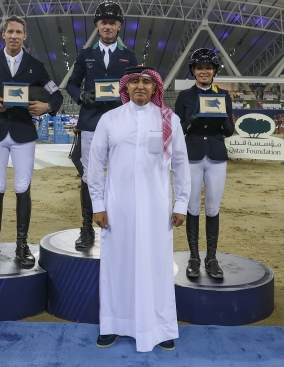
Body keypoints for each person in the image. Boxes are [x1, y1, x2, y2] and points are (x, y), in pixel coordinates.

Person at [88, 66, 190, 352]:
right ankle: (112, 324)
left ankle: (161, 327)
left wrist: (181, 203)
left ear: (155, 87)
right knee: (117, 264)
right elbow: (95, 166)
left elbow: (181, 163)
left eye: (146, 82)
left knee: (156, 265)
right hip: (117, 207)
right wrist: (98, 204)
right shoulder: (110, 120)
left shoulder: (169, 119)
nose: (140, 86)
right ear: (126, 87)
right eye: (135, 82)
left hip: (157, 207)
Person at [0, 15, 63, 269]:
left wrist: (47, 107)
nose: (13, 36)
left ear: (24, 36)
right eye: (9, 31)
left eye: (18, 32)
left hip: (23, 134)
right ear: (3, 35)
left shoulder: (36, 65)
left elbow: (57, 94)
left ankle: (22, 246)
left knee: (23, 186)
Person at [66, 2, 138, 250]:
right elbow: (72, 84)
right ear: (97, 26)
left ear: (119, 27)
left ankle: (122, 225)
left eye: (112, 23)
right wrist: (80, 96)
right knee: (89, 175)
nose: (108, 26)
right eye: (103, 22)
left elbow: (138, 86)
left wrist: (125, 97)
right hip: (91, 123)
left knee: (122, 173)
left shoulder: (130, 55)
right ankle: (86, 228)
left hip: (121, 122)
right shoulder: (85, 55)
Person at [174, 49, 235, 279]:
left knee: (212, 208)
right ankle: (193, 258)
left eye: (208, 68)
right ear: (193, 71)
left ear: (214, 71)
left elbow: (228, 131)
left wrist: (224, 120)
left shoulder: (224, 96)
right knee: (192, 207)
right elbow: (178, 130)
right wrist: (192, 119)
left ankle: (211, 258)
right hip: (191, 156)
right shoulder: (185, 97)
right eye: (199, 68)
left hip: (216, 155)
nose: (204, 71)